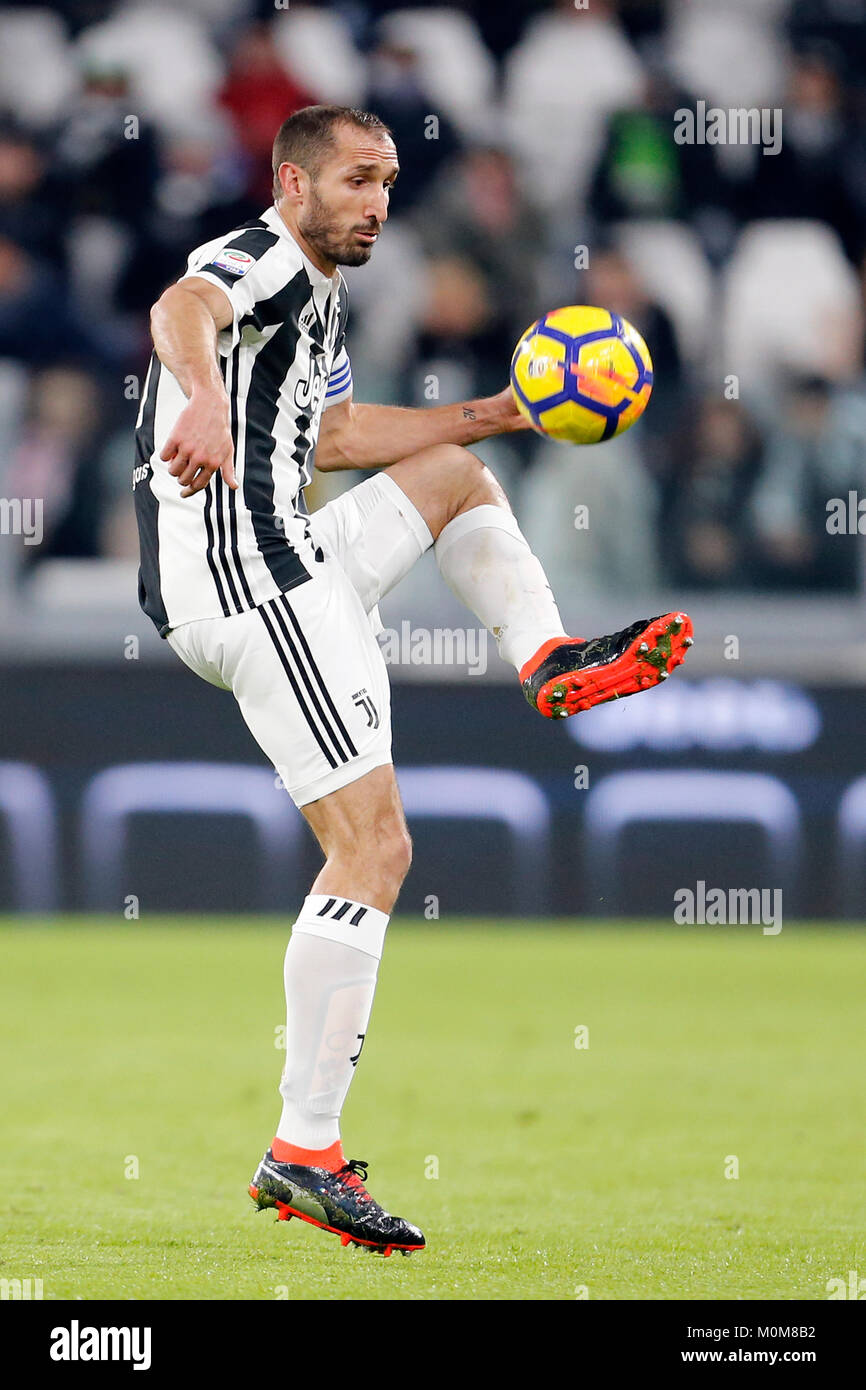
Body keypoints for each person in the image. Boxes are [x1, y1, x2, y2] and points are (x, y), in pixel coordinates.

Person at [133, 105, 693, 1256]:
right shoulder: (264, 257)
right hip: (249, 573)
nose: (376, 202)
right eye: (353, 179)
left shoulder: (321, 297)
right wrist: (195, 394)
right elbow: (181, 304)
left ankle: (549, 659)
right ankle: (304, 1146)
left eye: (387, 181)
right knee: (374, 848)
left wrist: (493, 411)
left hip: (279, 541)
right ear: (292, 185)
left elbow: (331, 434)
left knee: (450, 472)